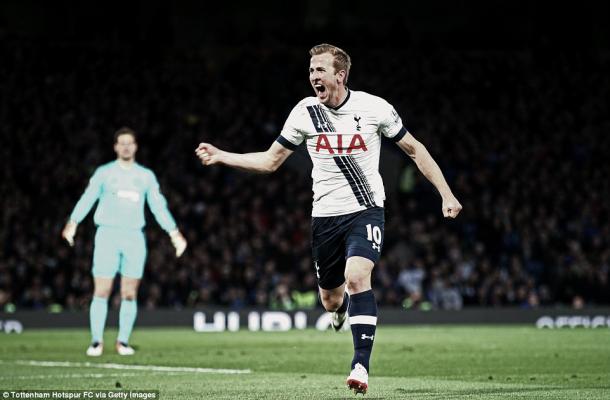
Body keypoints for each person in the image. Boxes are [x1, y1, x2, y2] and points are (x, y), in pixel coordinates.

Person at [195, 43, 462, 394]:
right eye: (310, 71)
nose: (313, 77)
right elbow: (270, 161)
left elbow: (415, 149)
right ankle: (340, 311)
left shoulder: (374, 108)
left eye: (319, 70)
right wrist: (222, 156)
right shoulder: (305, 112)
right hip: (324, 217)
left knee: (357, 277)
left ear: (340, 74)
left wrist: (446, 192)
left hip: (366, 210)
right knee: (331, 299)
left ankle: (360, 366)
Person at [62, 127, 187, 357]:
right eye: (122, 143)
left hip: (134, 237)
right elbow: (88, 198)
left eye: (130, 142)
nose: (126, 146)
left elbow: (158, 206)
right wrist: (73, 222)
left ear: (136, 146)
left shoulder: (146, 176)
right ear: (116, 147)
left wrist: (174, 233)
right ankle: (96, 341)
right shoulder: (104, 173)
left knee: (129, 293)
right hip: (107, 235)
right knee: (102, 290)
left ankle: (123, 342)